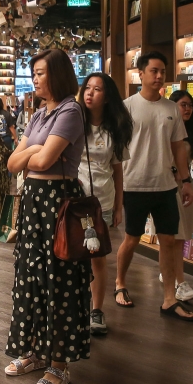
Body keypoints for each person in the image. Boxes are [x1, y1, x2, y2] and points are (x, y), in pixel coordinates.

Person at [4, 49, 89, 384]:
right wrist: (30, 157)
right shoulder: (40, 115)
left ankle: (59, 364)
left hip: (59, 204)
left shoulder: (71, 111)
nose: (35, 79)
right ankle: (36, 351)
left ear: (56, 74)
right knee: (30, 278)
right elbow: (14, 163)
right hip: (35, 203)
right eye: (34, 73)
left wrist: (30, 157)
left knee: (59, 280)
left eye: (40, 73)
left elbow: (47, 158)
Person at [114, 50, 193, 321]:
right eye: (154, 71)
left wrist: (185, 181)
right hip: (134, 185)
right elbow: (117, 149)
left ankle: (169, 299)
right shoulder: (126, 107)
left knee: (169, 241)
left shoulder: (172, 109)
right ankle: (120, 283)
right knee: (132, 239)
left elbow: (178, 149)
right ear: (141, 73)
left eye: (163, 71)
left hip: (165, 186)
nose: (159, 76)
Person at [77, 72, 133, 335]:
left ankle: (96, 311)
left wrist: (119, 206)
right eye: (87, 87)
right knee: (73, 254)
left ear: (107, 96)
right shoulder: (74, 121)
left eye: (97, 89)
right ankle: (76, 307)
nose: (89, 93)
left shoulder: (115, 129)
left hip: (102, 202)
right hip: (74, 201)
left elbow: (118, 170)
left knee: (98, 258)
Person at [166, 89, 193, 302]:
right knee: (176, 236)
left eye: (190, 105)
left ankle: (172, 274)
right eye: (183, 104)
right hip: (168, 185)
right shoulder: (166, 128)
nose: (187, 109)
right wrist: (176, 172)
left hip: (186, 186)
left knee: (182, 234)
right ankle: (180, 282)